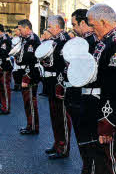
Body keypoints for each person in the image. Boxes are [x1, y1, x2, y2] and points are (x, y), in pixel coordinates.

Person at [84, 3, 116, 174]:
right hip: (100, 109)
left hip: (110, 113)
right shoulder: (107, 40)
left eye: (92, 24)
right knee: (101, 162)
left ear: (103, 22)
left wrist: (107, 121)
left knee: (111, 162)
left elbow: (113, 85)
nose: (90, 29)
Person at [67, 8, 98, 172]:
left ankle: (89, 169)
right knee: (84, 143)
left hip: (84, 99)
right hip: (77, 97)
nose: (73, 28)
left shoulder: (92, 43)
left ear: (83, 23)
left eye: (74, 24)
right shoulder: (82, 41)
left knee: (89, 143)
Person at [42, 15, 72, 159]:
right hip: (51, 82)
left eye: (49, 26)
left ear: (57, 27)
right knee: (55, 116)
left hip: (59, 83)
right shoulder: (54, 40)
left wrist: (62, 84)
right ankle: (57, 143)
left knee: (62, 117)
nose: (48, 29)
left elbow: (65, 66)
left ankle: (64, 147)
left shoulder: (65, 40)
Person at [17, 19, 41, 134]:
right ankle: (30, 125)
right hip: (28, 72)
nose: (19, 31)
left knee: (30, 101)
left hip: (30, 74)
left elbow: (29, 59)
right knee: (28, 101)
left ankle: (32, 127)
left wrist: (27, 77)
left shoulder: (32, 40)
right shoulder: (27, 39)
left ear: (27, 28)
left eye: (20, 29)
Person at [0, 24, 13, 115]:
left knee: (5, 88)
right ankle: (3, 105)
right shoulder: (2, 39)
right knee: (1, 87)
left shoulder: (5, 40)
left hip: (5, 66)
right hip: (3, 65)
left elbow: (4, 55)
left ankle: (6, 108)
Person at [11, 27, 23, 92]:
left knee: (20, 71)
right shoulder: (15, 38)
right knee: (15, 72)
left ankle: (20, 85)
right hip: (15, 57)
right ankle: (16, 85)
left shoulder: (23, 38)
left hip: (20, 58)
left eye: (16, 31)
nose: (15, 33)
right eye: (14, 31)